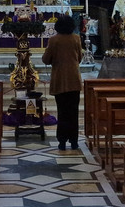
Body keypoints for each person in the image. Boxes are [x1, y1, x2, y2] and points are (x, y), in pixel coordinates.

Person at [42, 13, 82, 151]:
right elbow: (80, 57)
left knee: (62, 111)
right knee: (73, 112)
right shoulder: (76, 39)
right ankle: (74, 141)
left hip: (60, 79)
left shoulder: (54, 40)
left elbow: (46, 59)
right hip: (73, 79)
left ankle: (62, 141)